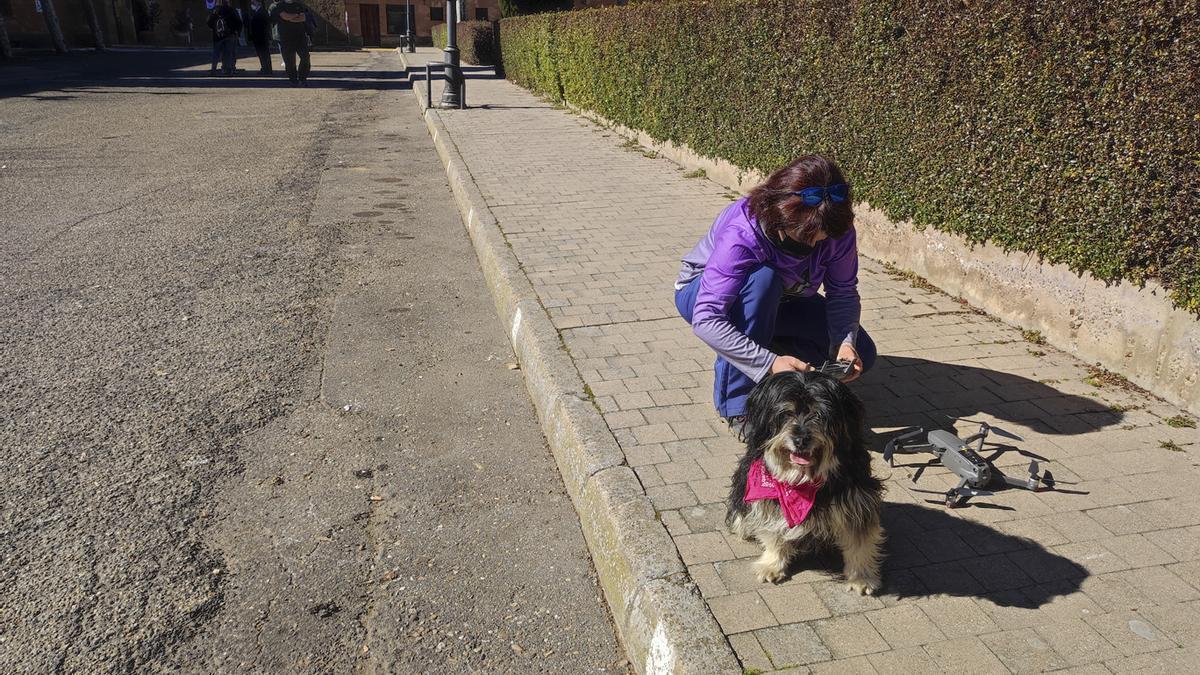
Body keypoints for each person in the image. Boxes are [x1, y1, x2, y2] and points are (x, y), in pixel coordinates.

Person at [674, 155, 877, 431]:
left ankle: (774, 354)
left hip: (784, 300)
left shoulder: (835, 229)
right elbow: (707, 320)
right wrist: (768, 363)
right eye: (809, 236)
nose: (820, 242)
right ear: (782, 216)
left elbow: (842, 291)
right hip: (703, 295)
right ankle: (738, 405)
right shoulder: (743, 231)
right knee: (763, 280)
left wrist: (844, 342)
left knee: (864, 350)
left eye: (825, 237)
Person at [269, 0, 311, 85]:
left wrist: (291, 18)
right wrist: (296, 15)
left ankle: (302, 78)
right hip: (285, 37)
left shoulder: (299, 5)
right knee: (290, 61)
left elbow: (304, 17)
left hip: (300, 36)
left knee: (305, 57)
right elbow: (285, 16)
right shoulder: (278, 6)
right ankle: (293, 80)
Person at [206, 0, 242, 76]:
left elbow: (209, 23)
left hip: (217, 36)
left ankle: (213, 70)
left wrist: (214, 28)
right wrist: (236, 31)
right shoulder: (231, 10)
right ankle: (228, 70)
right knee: (228, 53)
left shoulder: (216, 10)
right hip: (229, 35)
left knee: (216, 54)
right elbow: (238, 22)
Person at [248, 0, 272, 74]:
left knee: (263, 54)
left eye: (254, 2)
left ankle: (266, 69)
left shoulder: (262, 12)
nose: (252, 4)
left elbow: (264, 25)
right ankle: (265, 68)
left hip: (261, 37)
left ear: (259, 3)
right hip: (259, 37)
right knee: (262, 54)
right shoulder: (257, 12)